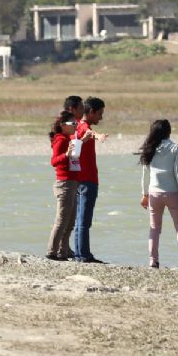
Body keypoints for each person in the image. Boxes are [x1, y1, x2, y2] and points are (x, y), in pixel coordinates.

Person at [138, 119, 178, 271]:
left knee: (154, 228)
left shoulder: (150, 149)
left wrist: (144, 194)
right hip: (172, 192)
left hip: (154, 193)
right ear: (169, 132)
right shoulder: (176, 148)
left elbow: (145, 175)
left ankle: (153, 262)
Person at [73, 97, 106, 264]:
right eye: (100, 113)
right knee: (84, 220)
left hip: (80, 179)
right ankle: (83, 255)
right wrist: (98, 135)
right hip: (87, 180)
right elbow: (88, 133)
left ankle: (81, 254)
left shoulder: (77, 124)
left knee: (80, 219)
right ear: (91, 112)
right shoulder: (84, 126)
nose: (101, 117)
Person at [47, 111, 79, 261]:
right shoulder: (60, 140)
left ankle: (63, 251)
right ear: (62, 126)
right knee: (61, 220)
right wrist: (66, 154)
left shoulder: (69, 139)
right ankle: (52, 251)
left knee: (70, 221)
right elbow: (54, 161)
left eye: (76, 123)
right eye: (73, 124)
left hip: (72, 182)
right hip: (64, 183)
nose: (75, 126)